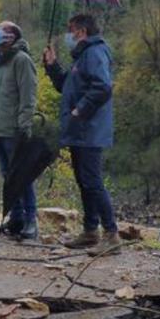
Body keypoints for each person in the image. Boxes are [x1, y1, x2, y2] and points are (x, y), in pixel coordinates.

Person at [43, 14, 119, 252]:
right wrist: (52, 65)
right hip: (80, 130)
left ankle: (111, 234)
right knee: (84, 181)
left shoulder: (95, 53)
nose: (68, 34)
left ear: (82, 31)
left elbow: (103, 87)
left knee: (92, 181)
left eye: (71, 29)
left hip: (90, 129)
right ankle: (90, 230)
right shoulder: (82, 56)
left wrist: (80, 110)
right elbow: (66, 85)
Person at [0, 21, 39, 239]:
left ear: (13, 37)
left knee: (22, 176)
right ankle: (15, 218)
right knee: (8, 177)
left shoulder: (22, 60)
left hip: (14, 130)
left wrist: (25, 126)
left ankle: (30, 220)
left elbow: (28, 96)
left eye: (3, 30)